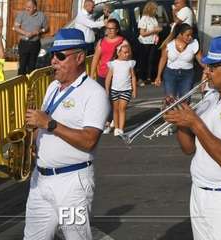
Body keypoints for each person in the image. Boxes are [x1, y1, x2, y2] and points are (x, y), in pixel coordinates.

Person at [164, 35, 221, 240]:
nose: (207, 71)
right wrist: (180, 119)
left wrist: (194, 122)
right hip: (200, 192)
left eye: (213, 67)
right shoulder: (211, 96)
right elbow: (189, 149)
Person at [24, 28, 109, 240]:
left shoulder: (94, 93)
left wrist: (50, 123)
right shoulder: (52, 87)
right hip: (40, 180)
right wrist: (30, 141)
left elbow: (89, 140)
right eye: (53, 55)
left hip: (72, 184)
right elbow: (43, 127)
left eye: (61, 56)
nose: (54, 61)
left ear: (80, 57)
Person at [90, 18, 130, 134]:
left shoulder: (123, 41)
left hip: (117, 76)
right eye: (108, 28)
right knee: (103, 99)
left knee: (113, 99)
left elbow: (128, 57)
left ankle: (109, 122)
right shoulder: (101, 41)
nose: (110, 31)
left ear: (117, 30)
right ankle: (110, 119)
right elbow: (96, 58)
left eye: (112, 29)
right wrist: (92, 73)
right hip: (102, 74)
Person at [154, 23, 204, 98]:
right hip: (170, 74)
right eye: (187, 35)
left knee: (185, 100)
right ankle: (170, 109)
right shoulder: (169, 44)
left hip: (187, 75)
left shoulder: (194, 44)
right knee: (170, 100)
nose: (190, 37)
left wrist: (210, 68)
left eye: (191, 35)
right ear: (180, 34)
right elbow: (163, 59)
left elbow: (201, 60)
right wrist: (158, 76)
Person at [105, 44, 137, 136]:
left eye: (128, 52)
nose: (127, 54)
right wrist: (107, 89)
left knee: (122, 108)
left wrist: (134, 90)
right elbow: (108, 78)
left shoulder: (130, 63)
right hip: (114, 90)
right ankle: (116, 127)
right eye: (125, 53)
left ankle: (121, 128)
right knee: (115, 109)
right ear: (118, 53)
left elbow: (133, 77)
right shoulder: (113, 64)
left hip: (126, 90)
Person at [14, 0, 48, 75]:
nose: (27, 9)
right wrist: (25, 33)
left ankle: (30, 85)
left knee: (32, 67)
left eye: (29, 7)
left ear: (35, 7)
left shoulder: (42, 15)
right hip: (24, 43)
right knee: (22, 66)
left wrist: (39, 31)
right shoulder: (21, 14)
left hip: (35, 44)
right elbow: (16, 27)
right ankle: (20, 84)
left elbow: (46, 28)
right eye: (26, 7)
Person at [137, 1, 162, 86]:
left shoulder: (154, 18)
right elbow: (142, 33)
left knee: (151, 60)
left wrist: (158, 30)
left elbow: (155, 28)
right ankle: (141, 78)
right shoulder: (144, 18)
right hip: (145, 42)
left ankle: (149, 77)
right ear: (150, 9)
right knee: (143, 61)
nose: (156, 11)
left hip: (153, 42)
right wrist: (154, 31)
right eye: (155, 9)